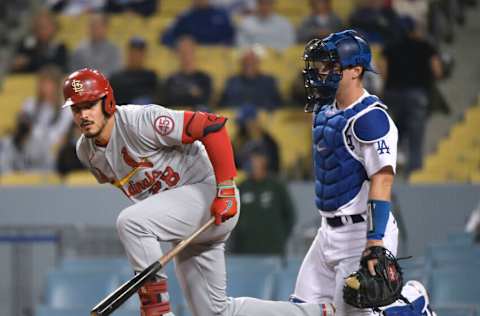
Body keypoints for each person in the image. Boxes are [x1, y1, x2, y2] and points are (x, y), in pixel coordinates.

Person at [64, 67, 335, 316]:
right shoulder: (86, 153)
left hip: (209, 195)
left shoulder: (139, 121)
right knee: (215, 312)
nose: (84, 115)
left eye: (90, 105)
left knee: (131, 222)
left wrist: (226, 189)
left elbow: (212, 126)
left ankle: (156, 311)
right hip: (186, 218)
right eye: (77, 109)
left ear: (108, 102)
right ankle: (320, 313)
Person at [291, 30, 436, 316]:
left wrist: (375, 242)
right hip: (327, 231)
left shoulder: (371, 118)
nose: (323, 72)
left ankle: (414, 302)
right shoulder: (324, 109)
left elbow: (382, 179)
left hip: (360, 233)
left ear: (356, 70)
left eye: (332, 66)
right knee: (302, 309)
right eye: (322, 65)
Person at [381, 17, 443, 175]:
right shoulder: (425, 46)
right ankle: (414, 174)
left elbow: (383, 72)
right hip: (416, 95)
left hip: (393, 95)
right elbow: (437, 71)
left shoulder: (390, 47)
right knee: (415, 137)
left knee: (394, 132)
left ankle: (388, 169)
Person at [231, 145, 295, 256]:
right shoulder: (242, 187)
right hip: (244, 251)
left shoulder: (277, 187)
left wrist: (280, 237)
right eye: (251, 159)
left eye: (257, 158)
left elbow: (290, 215)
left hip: (273, 250)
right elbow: (232, 217)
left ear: (265, 160)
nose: (253, 162)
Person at [163, 36, 212, 109]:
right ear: (177, 54)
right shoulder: (171, 79)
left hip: (196, 114)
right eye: (182, 52)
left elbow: (205, 100)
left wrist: (180, 93)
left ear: (194, 53)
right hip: (176, 113)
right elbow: (168, 100)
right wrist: (191, 94)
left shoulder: (204, 78)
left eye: (188, 52)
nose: (186, 56)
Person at [109, 36, 160, 105]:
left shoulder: (152, 77)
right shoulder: (116, 79)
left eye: (140, 52)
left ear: (144, 55)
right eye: (133, 52)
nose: (136, 56)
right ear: (128, 54)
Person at [161, 0, 235, 47]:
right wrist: (179, 44)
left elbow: (231, 37)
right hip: (193, 58)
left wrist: (224, 44)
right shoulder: (185, 17)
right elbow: (167, 37)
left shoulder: (221, 14)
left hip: (218, 58)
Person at [70, 13, 121, 77]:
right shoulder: (79, 49)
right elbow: (75, 71)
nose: (95, 30)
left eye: (98, 27)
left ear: (106, 28)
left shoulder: (114, 49)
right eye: (92, 26)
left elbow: (115, 71)